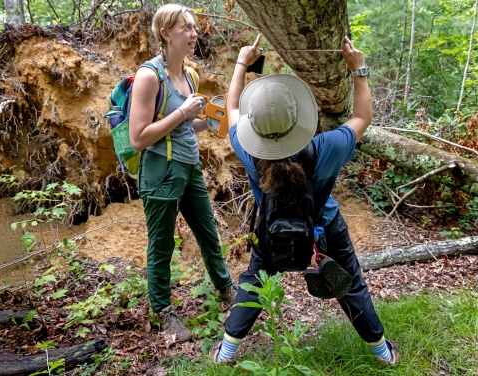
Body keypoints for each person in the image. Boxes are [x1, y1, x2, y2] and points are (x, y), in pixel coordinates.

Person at [208, 35, 400, 364]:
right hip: (324, 229)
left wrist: (241, 62)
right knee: (350, 283)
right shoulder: (327, 147)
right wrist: (359, 70)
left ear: (257, 127)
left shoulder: (245, 146)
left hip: (271, 232)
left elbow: (233, 107)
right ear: (299, 119)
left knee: (253, 283)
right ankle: (383, 354)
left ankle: (225, 353)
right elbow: (362, 117)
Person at [128, 4, 236, 342]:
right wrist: (184, 113)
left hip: (189, 168)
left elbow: (187, 126)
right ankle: (163, 312)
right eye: (186, 28)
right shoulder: (149, 76)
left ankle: (226, 291)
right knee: (161, 246)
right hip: (160, 171)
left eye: (194, 27)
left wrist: (212, 120)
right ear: (166, 34)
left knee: (208, 235)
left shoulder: (190, 75)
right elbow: (138, 138)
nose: (194, 33)